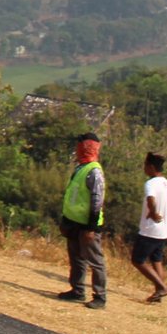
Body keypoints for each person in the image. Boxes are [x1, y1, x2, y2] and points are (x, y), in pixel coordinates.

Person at [57, 132, 107, 309]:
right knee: (77, 258)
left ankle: (100, 297)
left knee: (95, 261)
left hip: (87, 225)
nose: (78, 150)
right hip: (74, 222)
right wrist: (65, 220)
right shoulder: (81, 168)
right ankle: (77, 291)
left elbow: (97, 200)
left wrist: (91, 228)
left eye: (81, 146)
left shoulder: (94, 171)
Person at [132, 152, 167, 303]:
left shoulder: (150, 183)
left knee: (138, 260)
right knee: (157, 260)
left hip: (150, 229)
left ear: (150, 167)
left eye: (145, 165)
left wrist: (153, 213)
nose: (144, 168)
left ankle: (162, 287)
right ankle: (158, 293)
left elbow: (151, 199)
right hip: (164, 229)